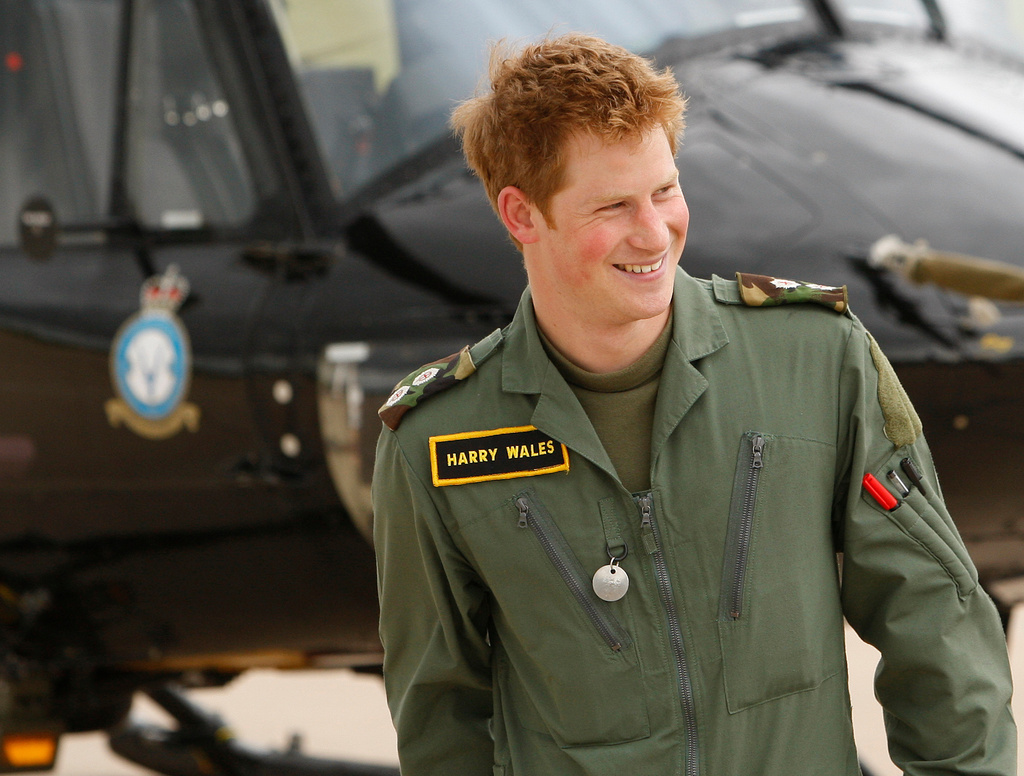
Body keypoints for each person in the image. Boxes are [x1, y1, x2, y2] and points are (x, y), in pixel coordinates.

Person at [371, 33, 1016, 775]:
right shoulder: (437, 439)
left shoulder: (816, 361)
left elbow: (932, 618)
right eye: (613, 204)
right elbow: (440, 718)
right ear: (521, 214)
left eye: (665, 190)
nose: (654, 233)